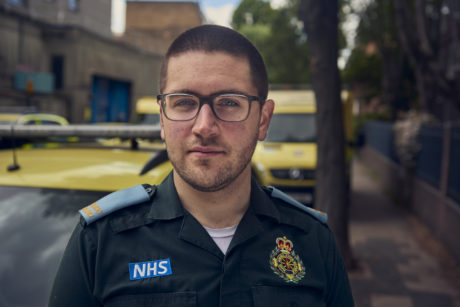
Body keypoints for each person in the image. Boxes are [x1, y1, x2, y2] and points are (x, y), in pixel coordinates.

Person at [49, 25, 354, 306]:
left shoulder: (313, 241)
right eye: (184, 102)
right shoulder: (100, 240)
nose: (204, 126)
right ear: (162, 119)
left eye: (229, 102)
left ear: (263, 120)